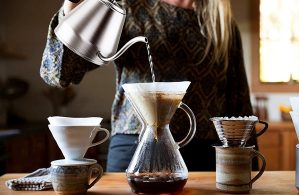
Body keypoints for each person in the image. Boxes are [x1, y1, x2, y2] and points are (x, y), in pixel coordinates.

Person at [40, 0, 259, 171]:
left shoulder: (222, 24)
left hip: (204, 151)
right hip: (134, 145)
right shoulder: (127, 8)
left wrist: (250, 166)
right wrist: (72, 5)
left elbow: (238, 104)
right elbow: (61, 73)